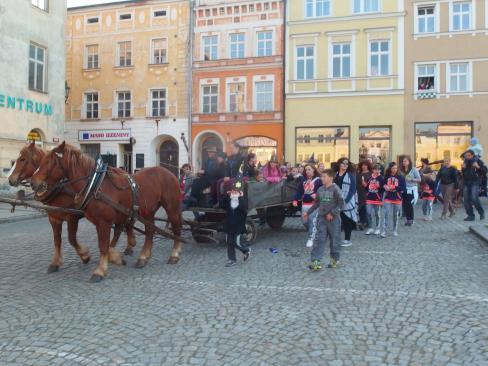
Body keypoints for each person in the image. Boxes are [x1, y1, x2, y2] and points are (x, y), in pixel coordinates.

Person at [304, 169, 344, 271]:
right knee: (319, 239)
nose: (322, 178)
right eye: (321, 176)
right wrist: (308, 212)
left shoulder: (335, 189)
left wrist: (332, 213)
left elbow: (341, 204)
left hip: (333, 220)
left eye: (324, 176)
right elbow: (317, 203)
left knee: (334, 240)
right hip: (322, 219)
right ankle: (316, 261)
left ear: (331, 178)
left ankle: (335, 260)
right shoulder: (320, 189)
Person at [220, 181, 250, 267]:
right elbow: (221, 205)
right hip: (229, 224)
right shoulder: (229, 200)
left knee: (236, 242)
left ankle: (246, 250)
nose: (234, 192)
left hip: (238, 225)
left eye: (236, 191)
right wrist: (226, 195)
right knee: (229, 242)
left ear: (239, 192)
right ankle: (232, 260)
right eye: (233, 191)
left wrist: (240, 197)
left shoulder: (242, 201)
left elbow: (244, 209)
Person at [293, 164, 322, 246]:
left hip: (314, 205)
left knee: (312, 221)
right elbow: (299, 191)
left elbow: (323, 191)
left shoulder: (318, 180)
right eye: (306, 170)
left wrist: (316, 195)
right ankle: (316, 231)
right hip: (304, 205)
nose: (307, 171)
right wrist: (295, 199)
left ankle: (310, 239)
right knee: (305, 222)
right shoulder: (303, 181)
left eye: (309, 169)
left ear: (313, 170)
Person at [334, 157, 358, 247]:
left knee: (346, 220)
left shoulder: (351, 176)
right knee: (336, 221)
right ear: (339, 164)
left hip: (347, 201)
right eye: (343, 163)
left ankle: (347, 239)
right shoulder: (334, 175)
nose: (345, 165)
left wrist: (345, 201)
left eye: (347, 164)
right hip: (336, 200)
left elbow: (352, 190)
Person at [461, 149, 486, 221]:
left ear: (472, 155)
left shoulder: (478, 161)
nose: (467, 157)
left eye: (468, 155)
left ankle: (481, 212)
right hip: (466, 182)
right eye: (466, 156)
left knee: (474, 198)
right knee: (466, 200)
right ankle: (471, 215)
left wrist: (478, 167)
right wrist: (462, 169)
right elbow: (464, 173)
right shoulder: (465, 161)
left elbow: (485, 171)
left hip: (475, 182)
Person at [382, 162, 406, 238]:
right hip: (388, 197)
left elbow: (403, 188)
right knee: (386, 214)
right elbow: (383, 184)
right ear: (390, 168)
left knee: (395, 215)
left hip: (397, 198)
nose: (394, 170)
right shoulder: (386, 176)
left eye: (396, 168)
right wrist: (385, 186)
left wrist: (393, 187)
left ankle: (394, 230)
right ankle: (384, 231)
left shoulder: (401, 177)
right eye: (393, 168)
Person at [400, 156, 421, 226]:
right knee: (405, 204)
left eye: (405, 161)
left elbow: (419, 179)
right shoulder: (401, 170)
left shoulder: (414, 169)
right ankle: (408, 219)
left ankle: (411, 220)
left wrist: (411, 179)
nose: (404, 162)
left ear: (409, 162)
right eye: (403, 161)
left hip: (411, 189)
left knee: (409, 204)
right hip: (404, 189)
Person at [364, 164, 384, 235]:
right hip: (369, 198)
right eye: (375, 169)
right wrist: (364, 185)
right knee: (368, 213)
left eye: (378, 169)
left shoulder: (381, 178)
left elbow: (383, 189)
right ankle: (370, 228)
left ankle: (378, 228)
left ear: (380, 170)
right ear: (373, 170)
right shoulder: (370, 177)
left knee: (377, 214)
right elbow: (366, 187)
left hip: (377, 198)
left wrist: (379, 187)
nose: (377, 171)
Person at [356, 160, 372, 230]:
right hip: (359, 192)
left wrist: (367, 185)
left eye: (365, 165)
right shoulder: (359, 173)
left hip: (367, 193)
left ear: (368, 166)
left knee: (366, 208)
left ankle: (366, 222)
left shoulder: (370, 174)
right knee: (360, 208)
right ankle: (361, 221)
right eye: (362, 165)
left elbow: (373, 184)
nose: (364, 166)